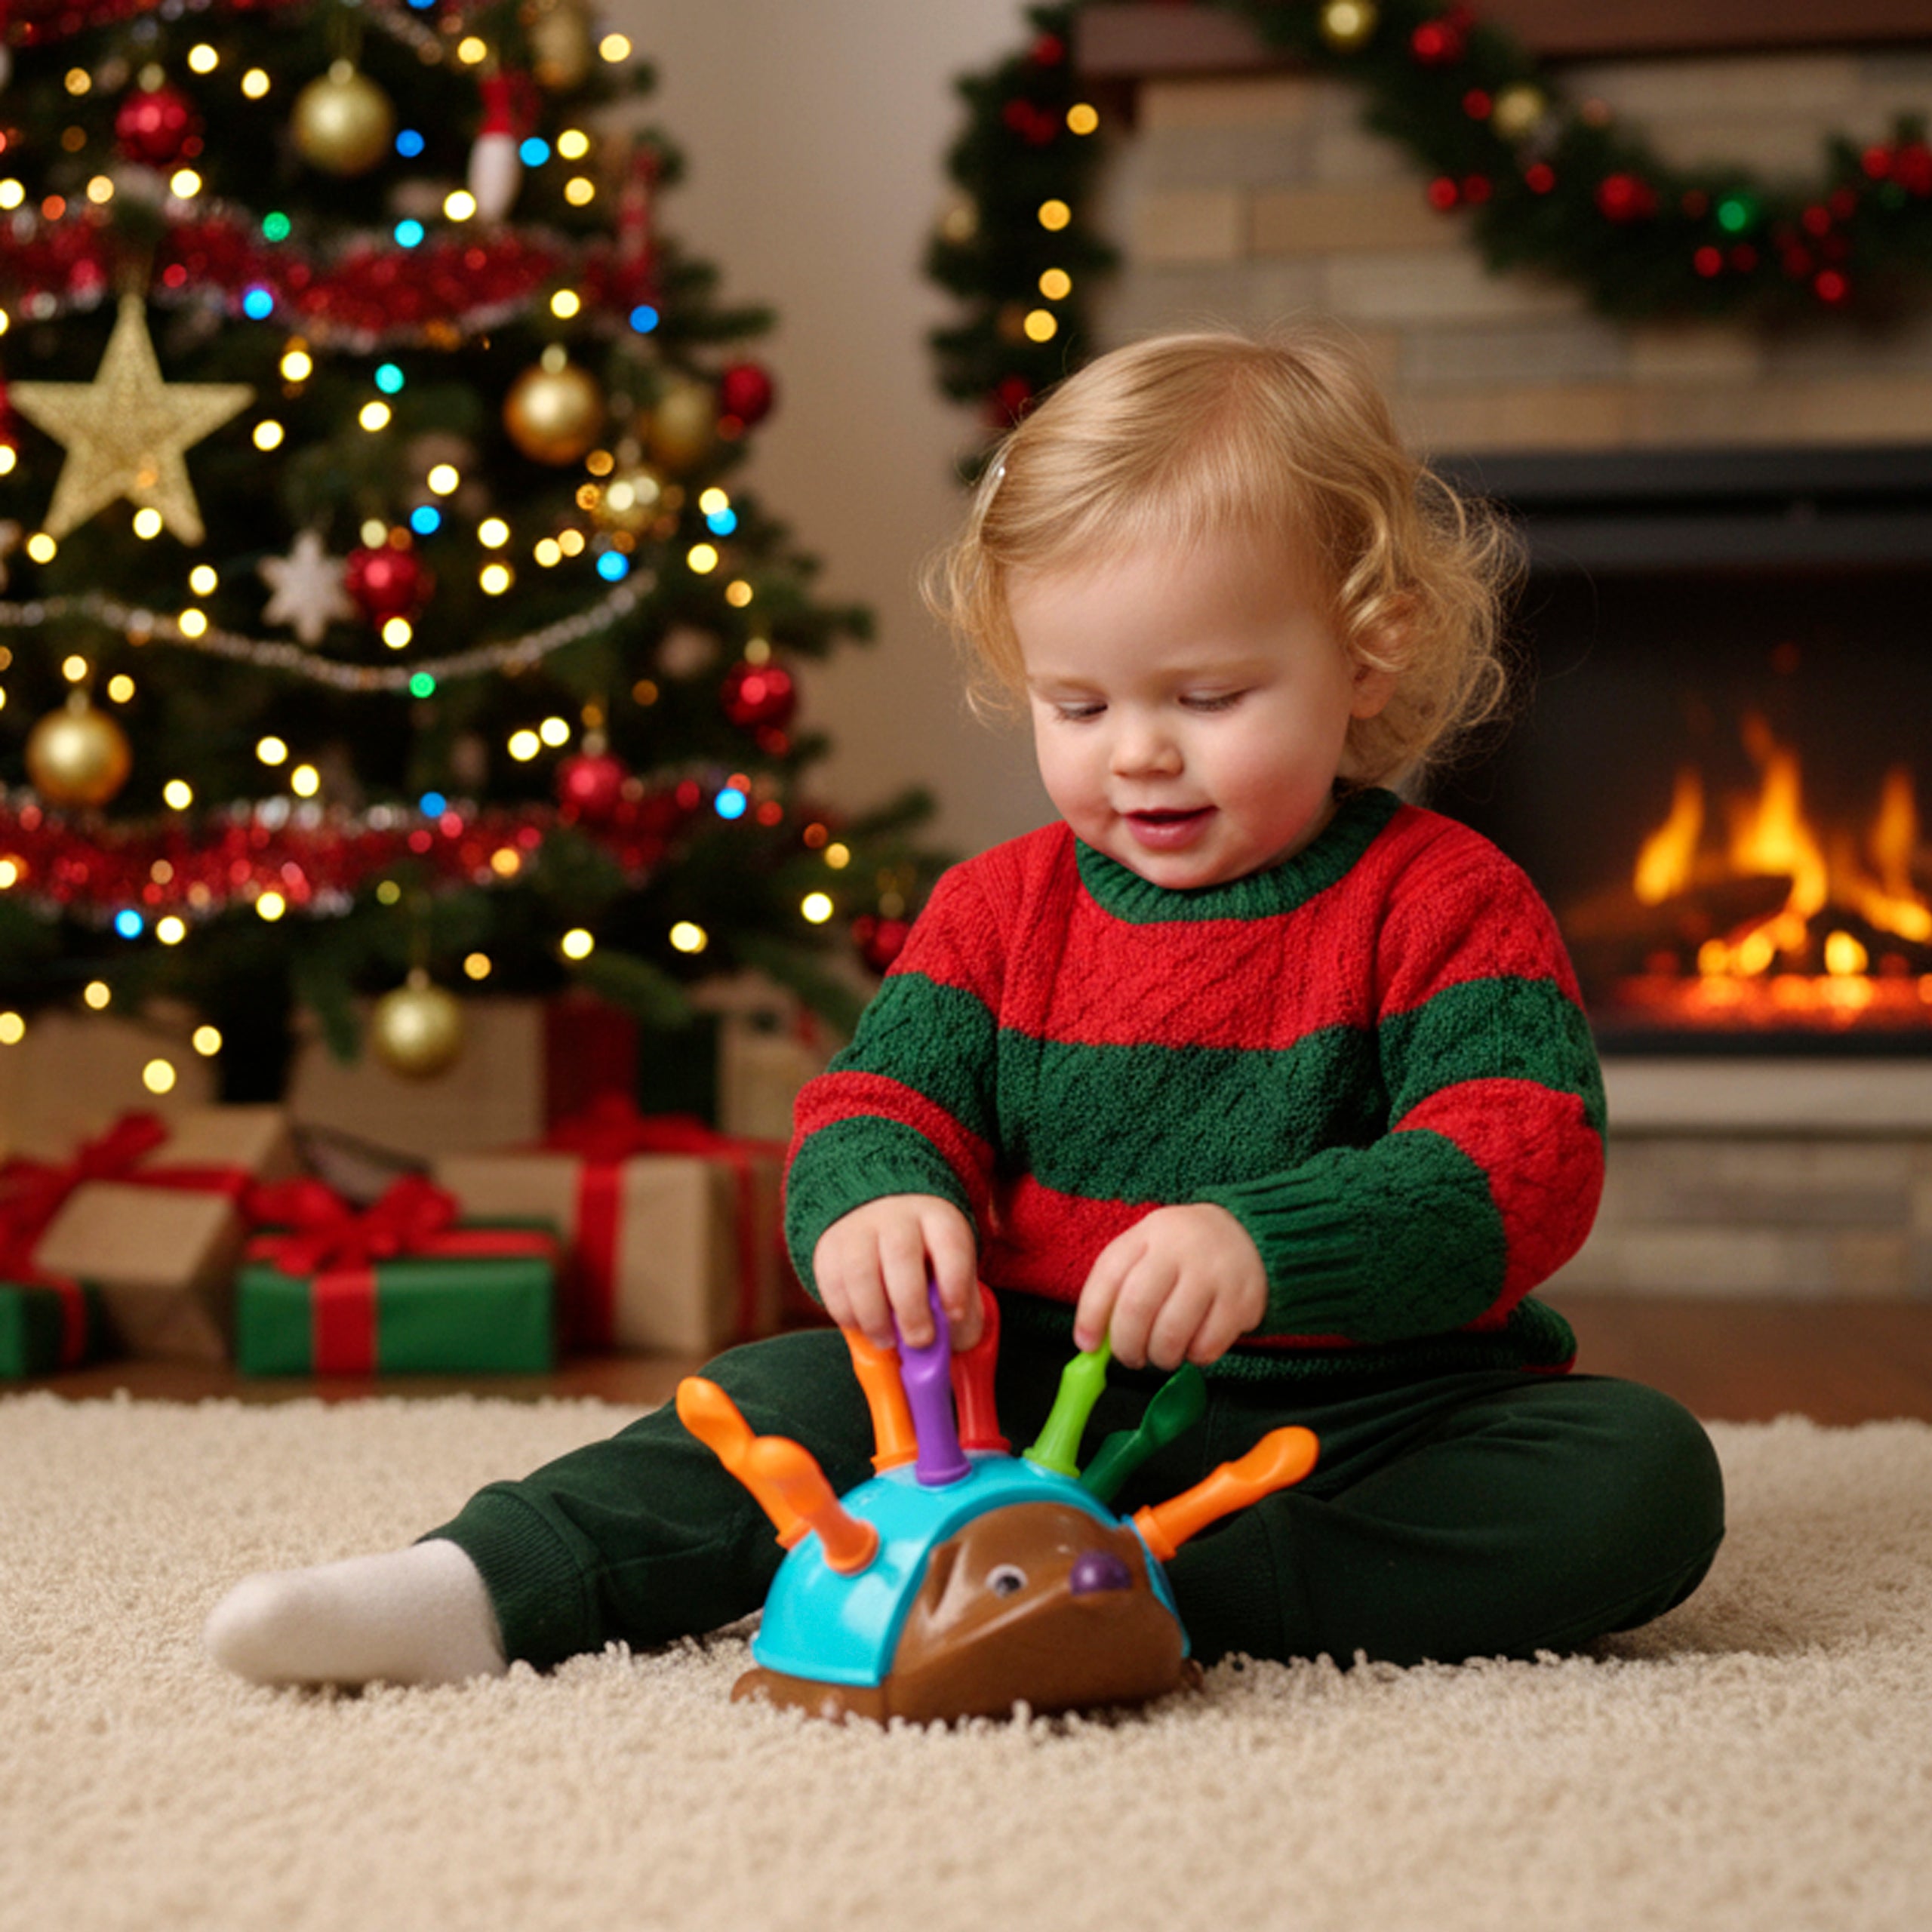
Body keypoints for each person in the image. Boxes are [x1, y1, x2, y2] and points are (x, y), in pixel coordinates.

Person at [205, 328, 1724, 1690]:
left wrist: (1267, 1240)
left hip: (1357, 1412)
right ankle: (473, 1586)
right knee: (762, 1399)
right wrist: (875, 1202)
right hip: (990, 1406)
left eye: (1204, 698)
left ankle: (1135, 1576)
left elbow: (1522, 1154)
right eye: (1079, 704)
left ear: (1364, 652)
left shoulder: (1444, 896)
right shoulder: (1000, 909)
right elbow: (877, 1102)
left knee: (1634, 1477)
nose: (1137, 752)